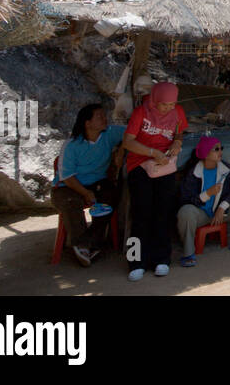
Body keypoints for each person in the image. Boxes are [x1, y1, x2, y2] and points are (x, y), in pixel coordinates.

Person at [123, 81, 187, 281]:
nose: (168, 108)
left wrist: (177, 141)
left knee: (163, 212)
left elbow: (179, 131)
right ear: (155, 100)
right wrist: (152, 152)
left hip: (164, 167)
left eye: (171, 104)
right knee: (141, 213)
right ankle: (135, 261)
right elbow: (128, 141)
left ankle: (162, 259)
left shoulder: (177, 112)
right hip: (139, 165)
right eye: (164, 105)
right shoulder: (141, 112)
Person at [52, 103, 124, 266]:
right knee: (72, 202)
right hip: (68, 187)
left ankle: (87, 242)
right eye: (99, 116)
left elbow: (131, 133)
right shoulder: (71, 145)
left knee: (111, 195)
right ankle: (85, 244)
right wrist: (85, 193)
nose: (104, 119)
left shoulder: (109, 134)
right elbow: (67, 177)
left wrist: (121, 149)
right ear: (87, 123)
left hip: (98, 183)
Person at [176, 137, 230, 265]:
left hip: (222, 214)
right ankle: (188, 254)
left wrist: (222, 207)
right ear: (205, 153)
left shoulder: (227, 169)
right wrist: (207, 194)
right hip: (201, 215)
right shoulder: (193, 173)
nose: (220, 152)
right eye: (216, 149)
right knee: (185, 212)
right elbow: (185, 199)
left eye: (221, 148)